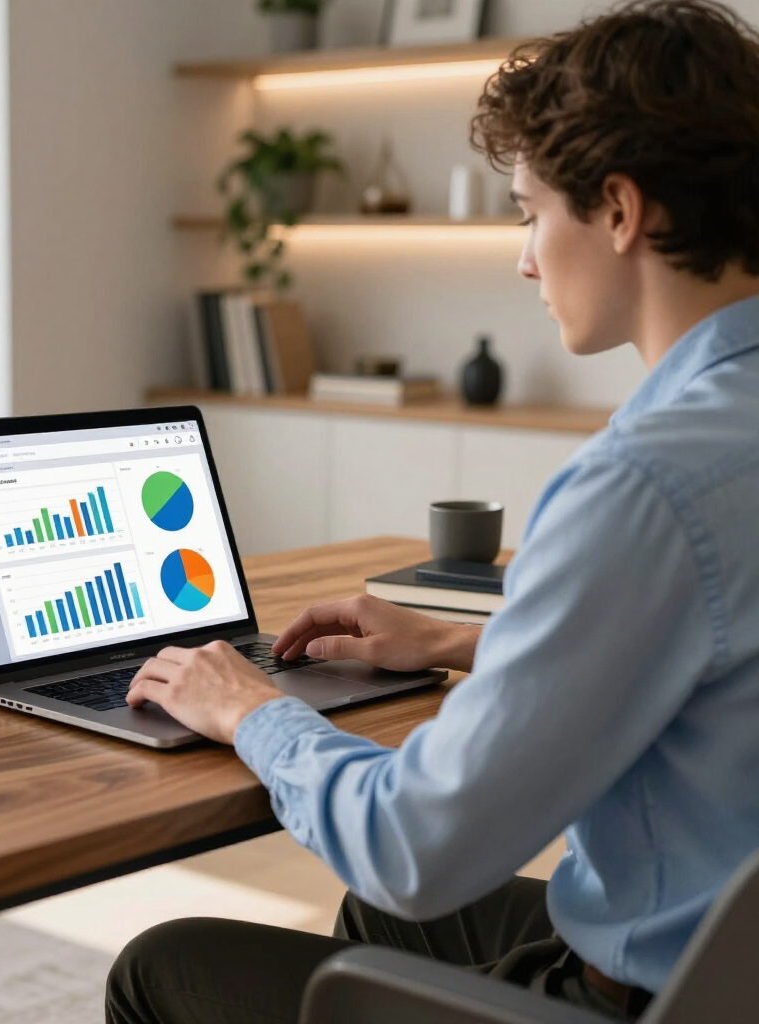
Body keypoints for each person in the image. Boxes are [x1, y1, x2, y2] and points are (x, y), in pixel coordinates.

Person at [107, 2, 759, 1020]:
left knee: (161, 966)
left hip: (647, 998)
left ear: (620, 211)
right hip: (728, 959)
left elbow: (411, 847)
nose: (525, 259)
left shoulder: (640, 483)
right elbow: (717, 653)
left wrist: (251, 709)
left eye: (529, 211)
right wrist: (464, 640)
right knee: (381, 927)